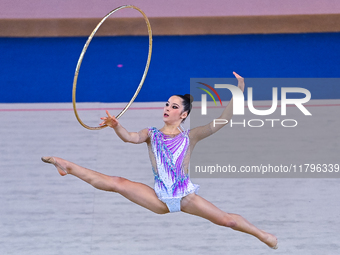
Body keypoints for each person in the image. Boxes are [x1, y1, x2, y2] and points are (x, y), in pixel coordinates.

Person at [42, 72, 278, 249]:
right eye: (167, 104)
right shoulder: (151, 133)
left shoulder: (191, 136)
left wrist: (240, 88)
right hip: (158, 199)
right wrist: (116, 126)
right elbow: (129, 138)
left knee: (228, 221)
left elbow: (223, 120)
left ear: (183, 114)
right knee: (116, 182)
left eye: (174, 106)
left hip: (186, 198)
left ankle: (263, 235)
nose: (167, 108)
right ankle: (67, 166)